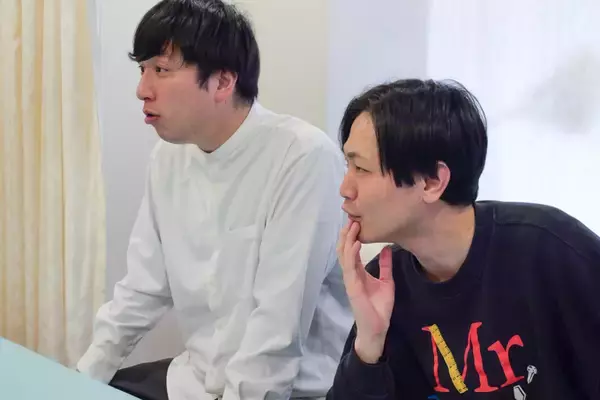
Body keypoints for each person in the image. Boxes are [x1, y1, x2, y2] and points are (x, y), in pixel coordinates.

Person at [77, 1, 353, 399]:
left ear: (223, 82)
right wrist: (81, 378)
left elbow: (276, 334)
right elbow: (142, 289)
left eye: (161, 70)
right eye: (142, 70)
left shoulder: (302, 158)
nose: (142, 90)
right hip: (195, 378)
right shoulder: (168, 159)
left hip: (290, 390)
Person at [327, 79, 600, 399]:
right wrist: (369, 344)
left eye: (361, 168)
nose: (345, 188)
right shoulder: (386, 283)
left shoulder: (551, 250)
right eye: (347, 166)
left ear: (432, 182)